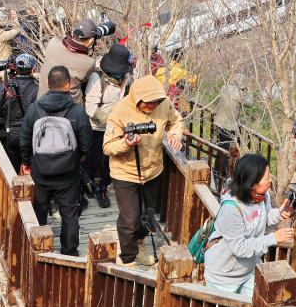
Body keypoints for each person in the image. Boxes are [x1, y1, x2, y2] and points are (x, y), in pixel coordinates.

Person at [103, 75, 184, 266]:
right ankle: (128, 258)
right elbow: (107, 146)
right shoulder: (119, 112)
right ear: (137, 98)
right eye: (148, 103)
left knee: (147, 213)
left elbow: (176, 120)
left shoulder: (163, 105)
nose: (152, 106)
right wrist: (126, 143)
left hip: (153, 170)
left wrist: (174, 135)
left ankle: (140, 244)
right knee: (130, 217)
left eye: (156, 102)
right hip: (125, 172)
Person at [19, 66, 92, 257]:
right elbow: (87, 144)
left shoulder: (35, 110)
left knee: (39, 210)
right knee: (69, 214)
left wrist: (26, 162)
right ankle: (69, 252)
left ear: (46, 84)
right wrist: (78, 159)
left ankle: (38, 247)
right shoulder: (77, 112)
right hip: (68, 173)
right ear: (68, 85)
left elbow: (25, 138)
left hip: (40, 170)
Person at [203, 153, 296, 296]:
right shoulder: (231, 208)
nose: (270, 180)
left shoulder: (262, 196)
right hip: (223, 276)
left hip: (248, 270)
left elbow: (263, 220)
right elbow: (239, 248)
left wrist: (278, 214)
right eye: (267, 177)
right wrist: (273, 238)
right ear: (253, 183)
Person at [83, 44, 133, 209]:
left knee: (109, 162)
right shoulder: (97, 79)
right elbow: (90, 108)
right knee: (93, 159)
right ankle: (87, 186)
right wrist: (111, 121)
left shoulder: (125, 77)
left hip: (115, 128)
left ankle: (102, 188)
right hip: (96, 127)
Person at [0, 53, 39, 171]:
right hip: (27, 135)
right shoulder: (37, 89)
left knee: (9, 169)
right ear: (33, 70)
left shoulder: (3, 86)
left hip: (6, 133)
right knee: (27, 168)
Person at [38, 18, 104, 104]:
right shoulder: (89, 63)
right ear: (91, 40)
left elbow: (63, 40)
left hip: (41, 101)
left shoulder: (53, 42)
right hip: (68, 109)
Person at [213, 73, 248, 180]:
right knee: (227, 149)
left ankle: (217, 168)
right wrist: (246, 90)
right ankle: (223, 173)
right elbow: (249, 103)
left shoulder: (225, 87)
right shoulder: (239, 94)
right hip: (229, 126)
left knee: (220, 146)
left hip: (219, 122)